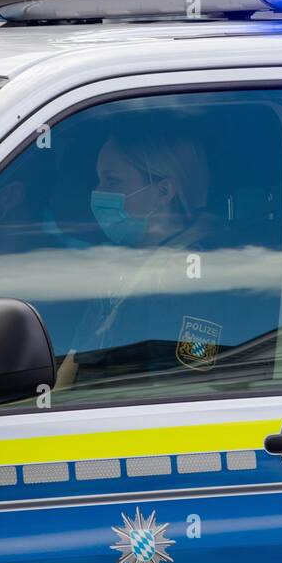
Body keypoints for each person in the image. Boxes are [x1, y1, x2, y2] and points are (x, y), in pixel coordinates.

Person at [55, 117, 219, 393]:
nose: (98, 192)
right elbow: (74, 362)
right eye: (99, 179)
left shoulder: (191, 281)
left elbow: (170, 389)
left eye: (112, 180)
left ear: (164, 191)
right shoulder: (124, 266)